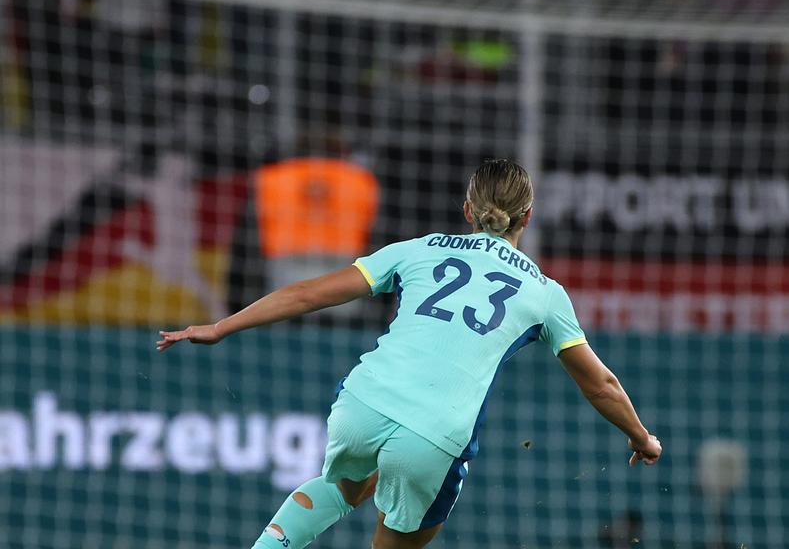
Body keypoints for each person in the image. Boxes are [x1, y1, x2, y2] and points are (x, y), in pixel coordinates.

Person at [158, 159, 662, 549]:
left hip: (362, 403)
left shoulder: (417, 249)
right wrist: (641, 436)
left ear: (467, 210)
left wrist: (221, 326)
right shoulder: (546, 294)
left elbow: (310, 293)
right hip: (436, 434)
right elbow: (600, 384)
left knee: (344, 484)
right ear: (528, 216)